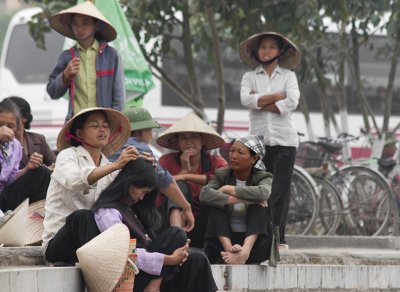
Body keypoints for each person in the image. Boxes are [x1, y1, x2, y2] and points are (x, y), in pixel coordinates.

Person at [45, 158, 217, 292]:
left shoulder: (132, 210)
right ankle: (153, 286)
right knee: (177, 234)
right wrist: (169, 259)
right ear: (129, 183)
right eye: (142, 192)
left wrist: (178, 255)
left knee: (197, 259)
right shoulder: (108, 212)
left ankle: (155, 283)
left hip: (149, 271)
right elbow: (124, 253)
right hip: (130, 274)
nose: (142, 198)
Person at [42, 107, 138, 258]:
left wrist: (142, 167)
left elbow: (129, 196)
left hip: (94, 241)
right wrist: (114, 166)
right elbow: (74, 181)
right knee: (83, 217)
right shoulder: (67, 156)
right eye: (95, 126)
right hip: (59, 244)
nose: (102, 130)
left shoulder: (108, 166)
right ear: (79, 133)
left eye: (105, 126)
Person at [239, 31, 301, 250]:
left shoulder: (288, 76)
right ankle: (260, 237)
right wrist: (278, 96)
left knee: (280, 191)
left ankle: (279, 237)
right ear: (256, 51)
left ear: (280, 51)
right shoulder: (249, 76)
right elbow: (245, 99)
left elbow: (292, 101)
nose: (266, 51)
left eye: (271, 47)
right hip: (259, 143)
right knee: (259, 190)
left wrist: (260, 101)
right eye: (263, 47)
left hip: (285, 141)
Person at [109, 106, 195, 231]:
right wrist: (187, 208)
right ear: (142, 132)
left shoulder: (110, 146)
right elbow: (165, 182)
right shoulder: (140, 148)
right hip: (124, 206)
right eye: (150, 130)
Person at [156, 112, 228, 248]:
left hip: (204, 225)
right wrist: (182, 173)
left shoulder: (216, 162)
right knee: (179, 185)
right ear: (177, 142)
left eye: (194, 136)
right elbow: (157, 188)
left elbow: (225, 180)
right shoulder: (166, 161)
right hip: (169, 222)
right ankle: (176, 239)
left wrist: (186, 175)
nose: (189, 142)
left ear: (202, 140)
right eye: (183, 138)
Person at [200, 135, 273, 264]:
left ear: (254, 158)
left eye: (240, 153)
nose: (233, 156)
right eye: (232, 150)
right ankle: (231, 252)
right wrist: (245, 200)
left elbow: (263, 193)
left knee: (259, 206)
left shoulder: (263, 177)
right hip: (223, 244)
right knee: (216, 206)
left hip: (254, 246)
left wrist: (228, 189)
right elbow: (205, 195)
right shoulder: (222, 174)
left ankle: (244, 252)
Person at [47, 1, 124, 122]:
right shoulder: (66, 56)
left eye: (85, 23)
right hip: (77, 124)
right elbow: (52, 92)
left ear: (95, 26)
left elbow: (119, 96)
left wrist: (114, 123)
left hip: (103, 124)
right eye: (75, 24)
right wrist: (65, 76)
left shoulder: (111, 55)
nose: (79, 28)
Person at [0, 99, 51, 212]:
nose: (5, 129)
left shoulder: (15, 146)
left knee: (42, 173)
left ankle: (37, 216)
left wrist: (28, 168)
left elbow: (10, 178)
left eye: (10, 125)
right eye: (0, 124)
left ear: (17, 126)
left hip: (5, 196)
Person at [4, 96, 56, 170]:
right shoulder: (2, 141)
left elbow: (55, 164)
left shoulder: (39, 139)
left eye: (11, 112)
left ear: (24, 118)